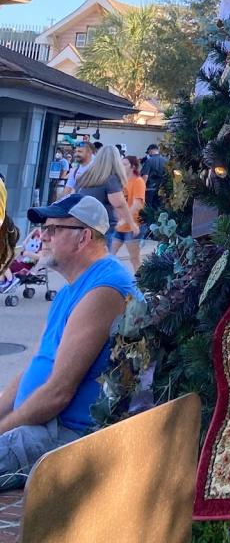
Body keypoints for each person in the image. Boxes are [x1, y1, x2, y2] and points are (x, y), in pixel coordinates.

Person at [0, 194, 137, 488]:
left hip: (60, 435)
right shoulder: (69, 291)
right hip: (37, 427)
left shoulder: (105, 289)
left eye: (53, 229)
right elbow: (36, 367)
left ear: (83, 237)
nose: (42, 236)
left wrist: (2, 430)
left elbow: (58, 394)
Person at [75, 145, 136, 236]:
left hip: (82, 223)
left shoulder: (86, 176)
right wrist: (132, 224)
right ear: (116, 160)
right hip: (102, 227)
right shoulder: (110, 179)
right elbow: (119, 204)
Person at [109, 155, 145, 272]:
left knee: (134, 258)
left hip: (133, 225)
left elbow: (138, 203)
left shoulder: (138, 181)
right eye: (121, 164)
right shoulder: (121, 181)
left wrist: (125, 219)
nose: (122, 167)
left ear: (133, 166)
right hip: (120, 227)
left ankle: (140, 283)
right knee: (109, 256)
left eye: (125, 164)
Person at [141, 143, 168, 213]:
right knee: (161, 210)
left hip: (150, 190)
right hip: (162, 190)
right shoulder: (166, 161)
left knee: (149, 212)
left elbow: (145, 176)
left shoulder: (149, 161)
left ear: (151, 151)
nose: (148, 154)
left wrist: (141, 189)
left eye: (148, 152)